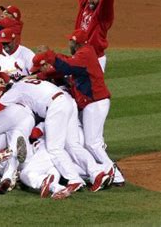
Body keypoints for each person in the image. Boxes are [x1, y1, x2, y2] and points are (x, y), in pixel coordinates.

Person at [31, 28, 125, 186]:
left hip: (95, 103)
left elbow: (68, 66)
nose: (69, 43)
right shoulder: (82, 54)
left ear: (77, 43)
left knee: (92, 143)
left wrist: (49, 55)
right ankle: (106, 172)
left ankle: (114, 174)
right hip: (94, 104)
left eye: (71, 41)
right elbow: (65, 68)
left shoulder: (86, 53)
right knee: (92, 142)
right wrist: (40, 75)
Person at [65, 0, 114, 71]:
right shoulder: (85, 3)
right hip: (80, 53)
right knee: (75, 85)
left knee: (93, 87)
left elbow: (108, 2)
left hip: (95, 57)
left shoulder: (103, 16)